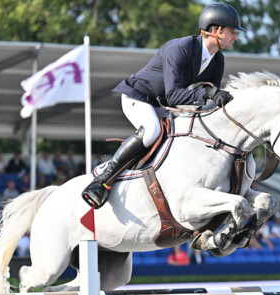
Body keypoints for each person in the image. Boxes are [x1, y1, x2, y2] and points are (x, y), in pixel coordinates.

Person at [82, 3, 244, 209]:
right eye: (232, 31)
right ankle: (101, 181)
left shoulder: (217, 60)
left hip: (161, 104)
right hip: (138, 96)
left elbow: (209, 94)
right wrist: (208, 93)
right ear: (215, 30)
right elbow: (175, 95)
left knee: (186, 135)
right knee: (151, 131)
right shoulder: (181, 48)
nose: (235, 37)